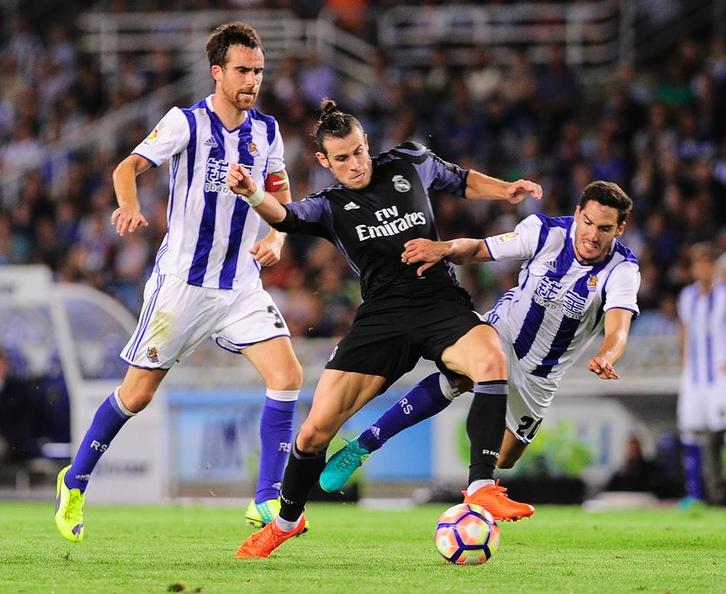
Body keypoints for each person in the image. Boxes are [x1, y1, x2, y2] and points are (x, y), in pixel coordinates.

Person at [227, 99, 543, 558]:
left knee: (491, 360)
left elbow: (459, 179)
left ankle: (480, 487)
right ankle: (286, 522)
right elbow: (286, 218)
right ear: (324, 161)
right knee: (315, 431)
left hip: (439, 303)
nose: (354, 165)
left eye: (358, 151)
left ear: (367, 143)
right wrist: (254, 193)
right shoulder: (329, 205)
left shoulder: (410, 162)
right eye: (341, 158)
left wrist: (505, 191)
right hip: (382, 319)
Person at [54, 22, 304, 542]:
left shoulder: (267, 131)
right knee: (136, 395)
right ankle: (74, 481)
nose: (252, 80)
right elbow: (127, 168)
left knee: (287, 376)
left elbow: (278, 188)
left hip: (240, 283)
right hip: (182, 286)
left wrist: (278, 239)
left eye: (258, 71)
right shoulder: (185, 122)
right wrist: (127, 207)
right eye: (242, 70)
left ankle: (265, 500)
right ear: (218, 72)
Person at [319, 181, 642, 494]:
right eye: (587, 222)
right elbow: (479, 248)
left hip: (542, 374)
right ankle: (366, 444)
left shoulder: (622, 270)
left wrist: (607, 356)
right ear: (577, 214)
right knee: (459, 378)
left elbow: (618, 328)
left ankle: (478, 482)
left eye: (604, 228)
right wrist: (444, 248)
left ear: (619, 229)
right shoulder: (544, 233)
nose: (592, 235)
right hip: (503, 332)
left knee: (506, 457)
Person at [676, 242, 726, 506]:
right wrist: (684, 362)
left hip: (720, 376)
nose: (703, 268)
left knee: (722, 432)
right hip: (694, 378)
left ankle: (720, 492)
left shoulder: (723, 295)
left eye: (707, 262)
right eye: (698, 263)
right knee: (690, 431)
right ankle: (694, 495)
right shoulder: (686, 297)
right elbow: (684, 331)